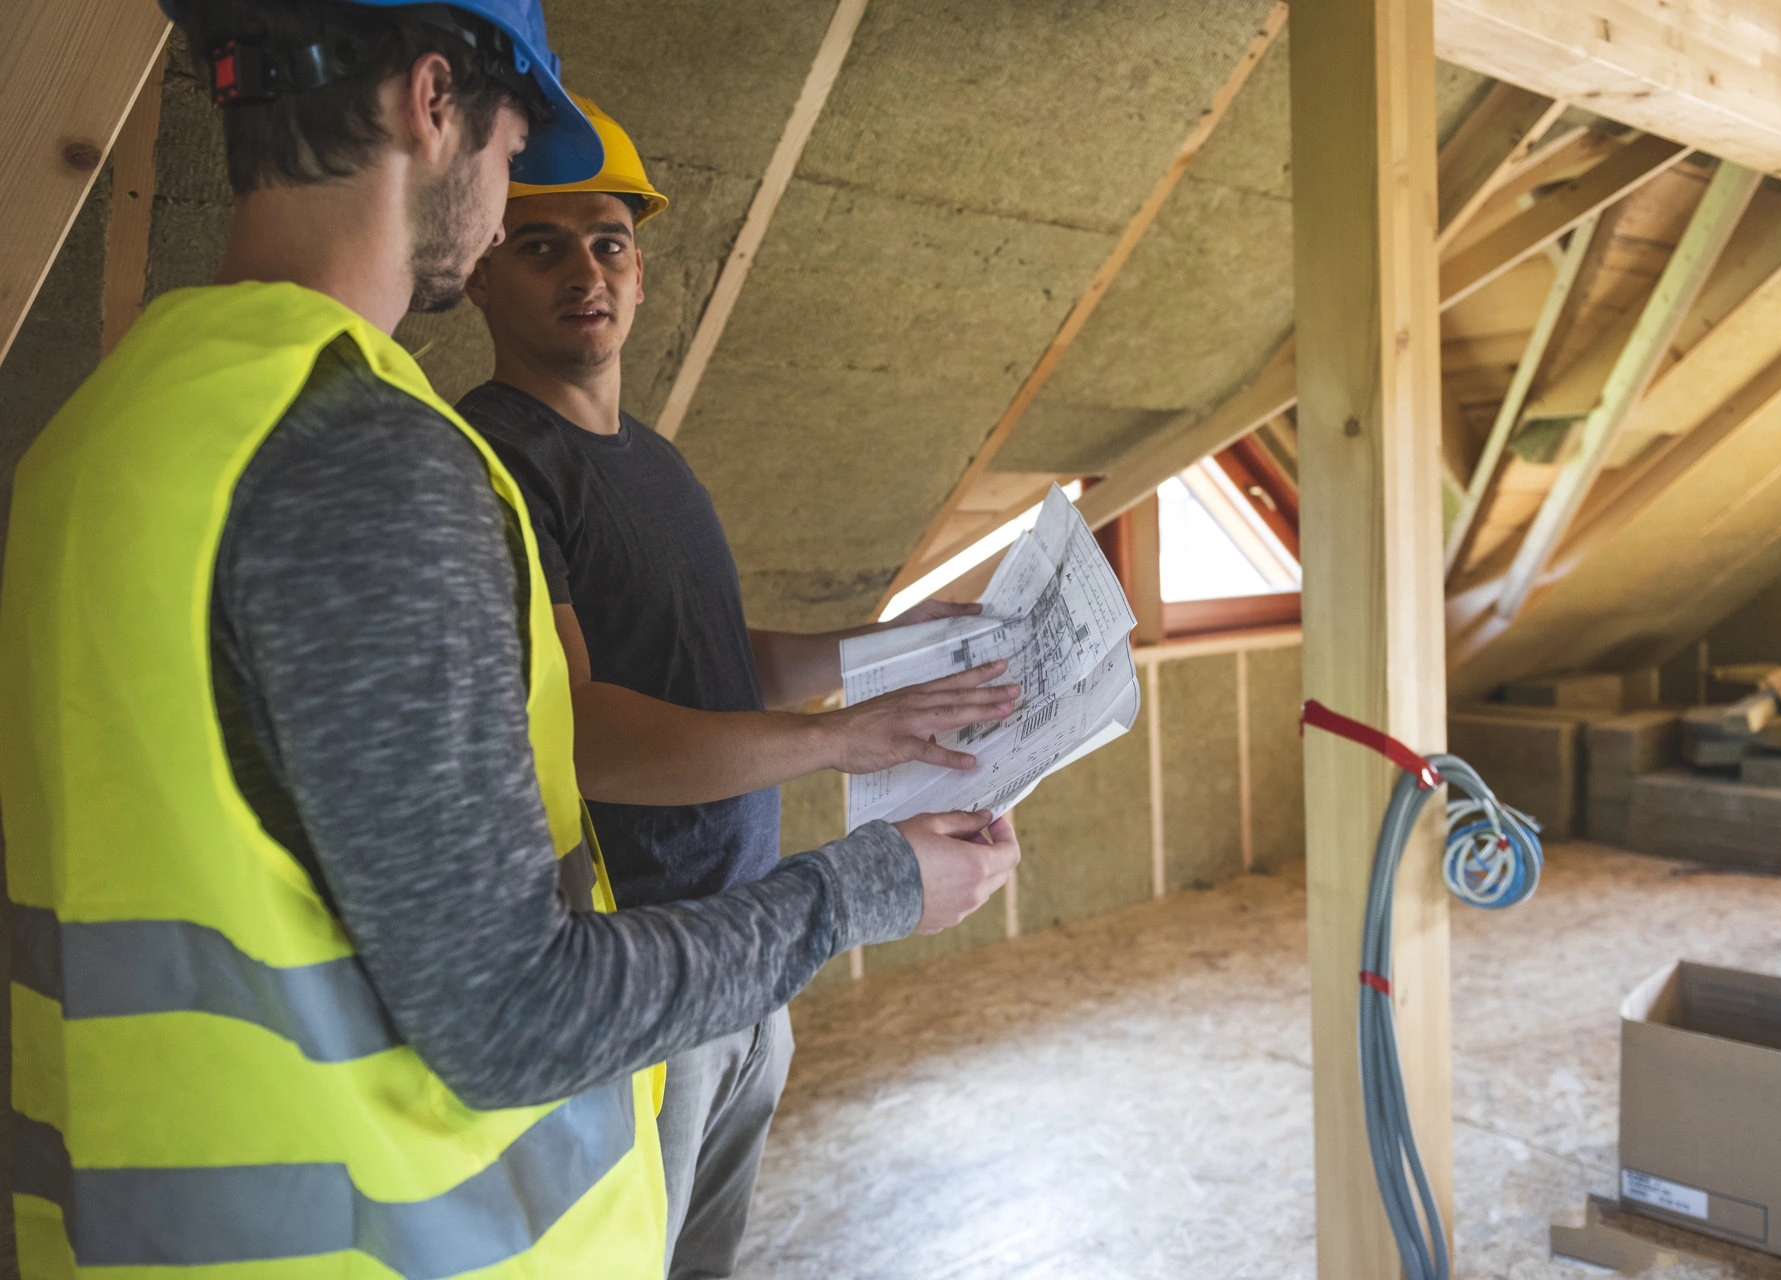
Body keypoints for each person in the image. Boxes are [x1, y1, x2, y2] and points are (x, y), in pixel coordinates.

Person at [0, 3, 1018, 1277]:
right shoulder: (368, 460)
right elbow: (515, 1016)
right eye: (515, 144)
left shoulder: (93, 434)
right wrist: (869, 887)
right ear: (435, 104)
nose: (509, 194)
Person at [456, 98, 1017, 1278]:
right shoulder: (497, 457)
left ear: (644, 274)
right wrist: (838, 743)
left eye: (608, 242)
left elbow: (726, 664)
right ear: (479, 273)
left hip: (745, 940)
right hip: (634, 960)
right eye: (540, 243)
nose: (584, 271)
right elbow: (586, 736)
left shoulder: (650, 458)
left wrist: (883, 652)